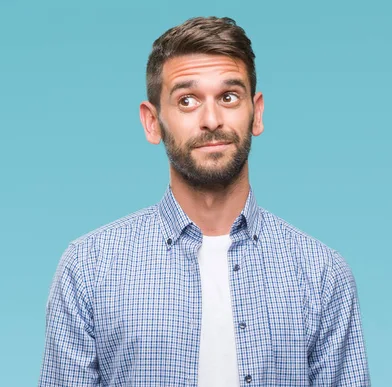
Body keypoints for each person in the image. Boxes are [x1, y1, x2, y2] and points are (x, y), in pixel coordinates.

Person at [38, 16, 370, 386]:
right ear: (152, 122)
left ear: (256, 113)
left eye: (228, 97)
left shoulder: (322, 274)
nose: (211, 119)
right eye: (187, 100)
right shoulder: (89, 269)